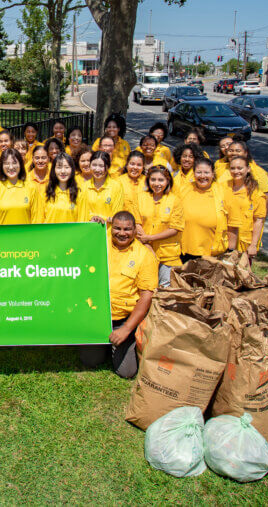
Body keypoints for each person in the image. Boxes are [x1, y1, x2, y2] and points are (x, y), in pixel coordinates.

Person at [78, 211, 157, 378]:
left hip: (122, 320)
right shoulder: (99, 240)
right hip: (96, 315)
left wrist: (126, 329)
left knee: (127, 372)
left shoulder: (144, 255)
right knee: (90, 361)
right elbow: (78, 242)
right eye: (117, 228)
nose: (122, 233)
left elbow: (146, 296)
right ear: (111, 228)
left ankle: (121, 340)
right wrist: (92, 225)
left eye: (127, 229)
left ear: (135, 231)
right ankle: (102, 344)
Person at [127, 165, 183, 287]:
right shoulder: (140, 197)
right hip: (143, 250)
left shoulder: (175, 200)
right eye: (153, 180)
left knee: (165, 287)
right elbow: (136, 222)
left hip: (168, 254)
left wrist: (150, 238)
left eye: (161, 180)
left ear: (168, 181)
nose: (157, 183)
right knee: (145, 286)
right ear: (148, 181)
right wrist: (146, 243)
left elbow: (175, 228)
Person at [178, 157, 229, 262]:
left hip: (210, 252)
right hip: (183, 249)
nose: (202, 176)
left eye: (206, 172)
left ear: (212, 174)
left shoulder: (223, 192)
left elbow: (232, 223)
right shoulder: (184, 189)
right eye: (199, 172)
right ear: (194, 173)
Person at [225, 155, 267, 258]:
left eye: (240, 168)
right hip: (224, 241)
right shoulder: (222, 187)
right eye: (233, 168)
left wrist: (253, 245)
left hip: (244, 244)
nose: (236, 171)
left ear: (248, 169)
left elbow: (259, 221)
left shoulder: (256, 194)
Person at [0, 148, 37, 225]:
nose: (11, 167)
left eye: (14, 163)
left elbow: (36, 218)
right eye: (7, 163)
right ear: (1, 166)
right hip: (3, 236)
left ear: (20, 164)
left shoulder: (31, 187)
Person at [219, 139, 268, 208]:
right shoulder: (220, 167)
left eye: (238, 151)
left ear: (245, 153)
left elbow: (266, 196)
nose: (234, 153)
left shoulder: (259, 172)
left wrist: (261, 217)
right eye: (231, 151)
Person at [35, 152, 84, 223]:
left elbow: (82, 221)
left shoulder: (79, 193)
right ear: (53, 170)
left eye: (67, 167)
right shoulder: (44, 192)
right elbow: (39, 220)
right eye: (59, 167)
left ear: (72, 169)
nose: (63, 171)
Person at [80, 151, 125, 223]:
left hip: (109, 232)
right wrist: (93, 217)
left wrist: (101, 218)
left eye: (101, 166)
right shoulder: (83, 187)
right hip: (88, 231)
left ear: (108, 167)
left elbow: (117, 216)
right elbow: (80, 213)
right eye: (94, 165)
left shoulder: (116, 187)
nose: (97, 169)